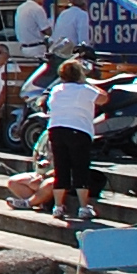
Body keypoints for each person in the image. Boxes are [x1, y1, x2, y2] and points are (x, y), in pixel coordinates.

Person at [44, 57, 104, 223]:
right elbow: (104, 98)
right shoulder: (85, 89)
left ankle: (58, 206)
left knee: (61, 168)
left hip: (56, 129)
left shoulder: (56, 89)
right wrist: (90, 82)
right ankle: (83, 207)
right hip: (79, 130)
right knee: (80, 168)